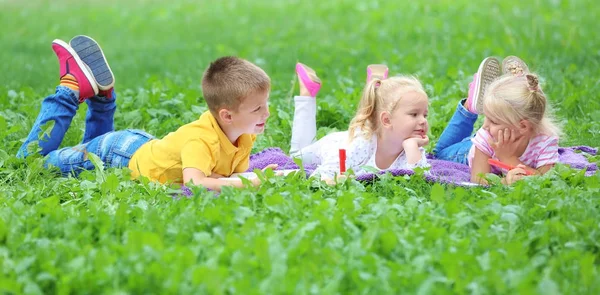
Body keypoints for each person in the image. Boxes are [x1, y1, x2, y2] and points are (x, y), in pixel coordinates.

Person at [18, 35, 274, 191]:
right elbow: (196, 183)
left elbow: (219, 175)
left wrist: (251, 177)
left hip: (142, 148)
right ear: (227, 115)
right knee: (31, 164)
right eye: (258, 108)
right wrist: (248, 184)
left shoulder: (244, 133)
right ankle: (71, 86)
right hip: (116, 154)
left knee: (83, 152)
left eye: (265, 104)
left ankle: (102, 98)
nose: (267, 113)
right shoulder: (202, 140)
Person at [289, 63, 430, 182]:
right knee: (296, 157)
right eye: (414, 114)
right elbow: (325, 174)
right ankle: (307, 93)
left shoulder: (413, 149)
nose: (423, 121)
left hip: (376, 133)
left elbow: (421, 181)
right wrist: (332, 180)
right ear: (386, 120)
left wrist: (411, 146)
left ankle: (376, 90)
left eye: (425, 115)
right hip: (335, 146)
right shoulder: (359, 145)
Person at [433, 56, 562, 185]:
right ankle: (469, 106)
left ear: (522, 126)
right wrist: (504, 180)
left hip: (487, 141)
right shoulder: (486, 136)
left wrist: (510, 159)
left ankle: (516, 88)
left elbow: (545, 179)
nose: (484, 126)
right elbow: (478, 179)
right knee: (440, 153)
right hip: (467, 153)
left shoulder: (546, 141)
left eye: (494, 121)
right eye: (487, 118)